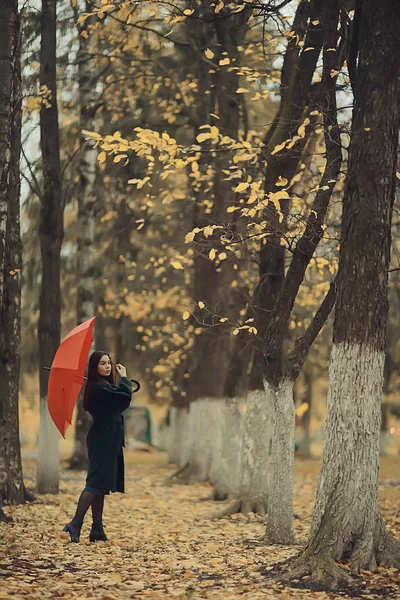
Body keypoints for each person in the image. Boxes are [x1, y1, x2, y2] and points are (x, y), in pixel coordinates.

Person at [63, 351, 133, 543]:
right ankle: (75, 523)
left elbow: (120, 404)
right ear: (95, 366)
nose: (108, 366)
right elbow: (123, 397)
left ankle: (97, 529)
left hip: (109, 437)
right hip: (103, 438)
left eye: (109, 362)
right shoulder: (96, 387)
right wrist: (125, 378)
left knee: (101, 485)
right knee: (95, 483)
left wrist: (121, 386)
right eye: (103, 363)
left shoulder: (103, 386)